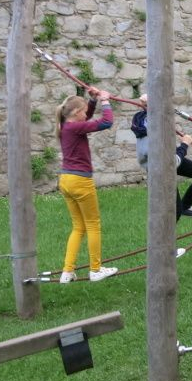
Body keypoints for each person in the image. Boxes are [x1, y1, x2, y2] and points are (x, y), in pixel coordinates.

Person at [56, 87, 118, 283]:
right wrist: (105, 101)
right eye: (83, 111)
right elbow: (106, 122)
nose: (86, 115)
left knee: (78, 227)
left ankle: (67, 271)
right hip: (80, 181)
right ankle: (95, 270)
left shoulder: (66, 125)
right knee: (93, 225)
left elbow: (87, 117)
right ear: (76, 112)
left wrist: (92, 101)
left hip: (66, 180)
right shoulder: (75, 127)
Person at [130, 94, 192, 221]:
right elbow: (173, 163)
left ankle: (186, 206)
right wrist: (184, 144)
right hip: (161, 169)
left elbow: (155, 112)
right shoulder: (153, 141)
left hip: (168, 158)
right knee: (175, 214)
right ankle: (163, 233)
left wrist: (148, 101)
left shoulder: (143, 120)